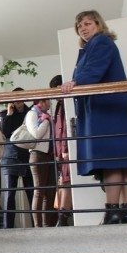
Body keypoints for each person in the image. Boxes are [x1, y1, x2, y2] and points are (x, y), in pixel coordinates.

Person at [61, 10, 127, 224]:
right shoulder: (93, 47)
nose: (82, 28)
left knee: (111, 161)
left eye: (87, 23)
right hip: (115, 108)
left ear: (98, 24)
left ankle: (112, 212)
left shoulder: (101, 42)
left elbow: (94, 71)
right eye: (79, 26)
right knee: (124, 161)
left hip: (108, 109)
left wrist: (74, 82)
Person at [0, 88, 33, 228]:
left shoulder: (30, 112)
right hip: (10, 156)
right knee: (9, 194)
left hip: (27, 155)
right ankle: (8, 227)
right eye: (15, 98)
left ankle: (37, 224)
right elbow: (4, 132)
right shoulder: (3, 114)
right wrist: (9, 115)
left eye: (20, 98)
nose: (18, 101)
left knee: (31, 192)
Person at [26, 99, 55, 228]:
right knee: (39, 191)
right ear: (42, 102)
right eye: (48, 100)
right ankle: (38, 226)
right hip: (37, 155)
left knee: (49, 192)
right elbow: (36, 134)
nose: (50, 102)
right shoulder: (32, 114)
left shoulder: (46, 114)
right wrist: (45, 121)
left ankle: (47, 225)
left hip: (49, 155)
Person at [50, 75, 72, 227]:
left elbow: (64, 128)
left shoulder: (64, 103)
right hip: (60, 150)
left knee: (66, 180)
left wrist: (64, 148)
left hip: (65, 149)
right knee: (64, 181)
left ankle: (63, 216)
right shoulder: (59, 104)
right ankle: (63, 215)